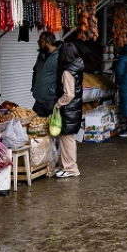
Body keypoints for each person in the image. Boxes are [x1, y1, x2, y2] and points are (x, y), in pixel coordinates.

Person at [54, 42, 84, 178]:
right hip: (73, 109)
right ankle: (65, 166)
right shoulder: (76, 68)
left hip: (68, 109)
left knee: (67, 139)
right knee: (66, 139)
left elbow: (69, 94)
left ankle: (71, 168)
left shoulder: (67, 72)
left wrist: (58, 104)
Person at [31, 31, 61, 117]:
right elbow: (35, 71)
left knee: (51, 127)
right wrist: (34, 87)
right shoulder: (41, 55)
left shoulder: (59, 56)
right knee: (34, 125)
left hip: (51, 101)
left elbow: (64, 76)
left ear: (48, 43)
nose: (38, 43)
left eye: (40, 41)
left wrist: (54, 90)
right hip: (38, 100)